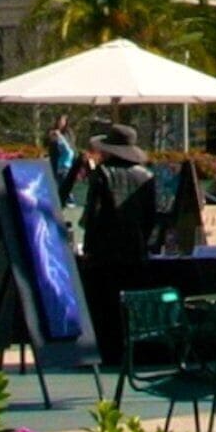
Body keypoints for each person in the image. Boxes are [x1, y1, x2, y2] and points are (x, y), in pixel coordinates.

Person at [72, 124, 160, 370]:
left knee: (103, 305)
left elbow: (94, 215)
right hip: (135, 250)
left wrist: (89, 246)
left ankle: (105, 352)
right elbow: (151, 217)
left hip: (104, 252)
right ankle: (132, 352)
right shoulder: (146, 176)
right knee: (130, 305)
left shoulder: (102, 174)